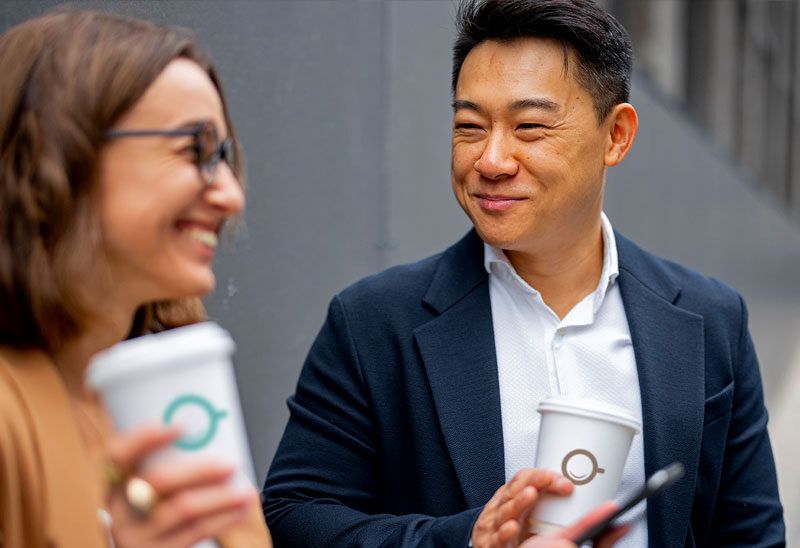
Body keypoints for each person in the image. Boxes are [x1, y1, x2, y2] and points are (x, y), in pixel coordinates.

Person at [262, 0, 785, 546]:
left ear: (616, 135)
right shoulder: (373, 321)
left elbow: (751, 534)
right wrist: (467, 540)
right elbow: (293, 514)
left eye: (529, 127)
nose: (491, 160)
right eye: (469, 125)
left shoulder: (709, 319)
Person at [0, 9, 271, 547]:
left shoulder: (153, 396)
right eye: (194, 149)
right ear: (60, 155)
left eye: (224, 157)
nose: (230, 196)